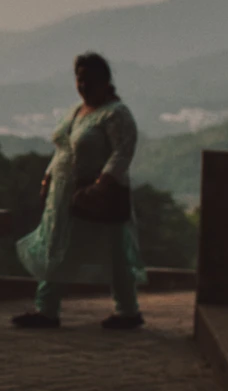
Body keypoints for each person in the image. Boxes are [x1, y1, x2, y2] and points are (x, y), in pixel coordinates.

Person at [12, 53, 145, 330]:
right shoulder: (76, 111)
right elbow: (64, 148)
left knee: (115, 251)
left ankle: (128, 311)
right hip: (63, 194)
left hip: (99, 195)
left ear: (105, 81)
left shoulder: (116, 113)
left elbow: (122, 152)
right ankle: (46, 309)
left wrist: (101, 185)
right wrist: (47, 178)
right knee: (56, 246)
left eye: (89, 79)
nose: (83, 85)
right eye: (79, 79)